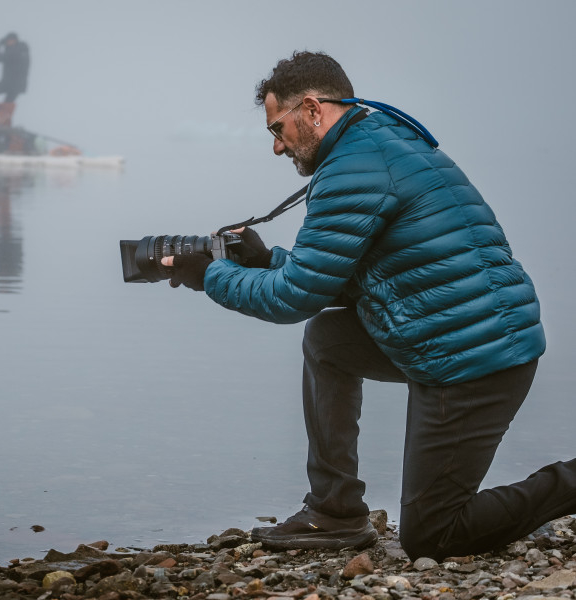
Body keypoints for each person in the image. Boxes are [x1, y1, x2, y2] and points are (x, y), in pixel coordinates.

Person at [162, 50, 575, 561]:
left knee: (434, 535)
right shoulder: (378, 142)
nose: (276, 146)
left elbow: (294, 297)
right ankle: (335, 511)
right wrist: (268, 260)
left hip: (473, 360)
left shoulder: (353, 168)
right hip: (457, 333)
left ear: (312, 109)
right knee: (330, 338)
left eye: (279, 128)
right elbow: (351, 280)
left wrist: (210, 276)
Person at [0, 32, 30, 111]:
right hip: (18, 86)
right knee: (6, 107)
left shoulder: (14, 51)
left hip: (8, 83)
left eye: (9, 41)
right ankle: (3, 120)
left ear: (15, 41)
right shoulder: (23, 50)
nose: (8, 43)